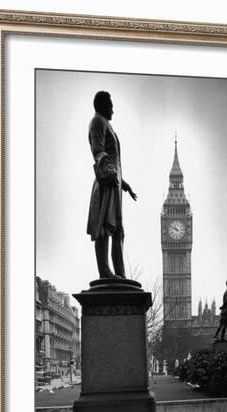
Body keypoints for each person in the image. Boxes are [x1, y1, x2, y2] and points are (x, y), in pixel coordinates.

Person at [87, 91, 137, 279]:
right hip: (106, 182)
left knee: (117, 229)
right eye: (111, 106)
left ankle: (120, 273)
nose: (113, 110)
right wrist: (111, 174)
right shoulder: (97, 122)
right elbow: (98, 151)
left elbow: (115, 161)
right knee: (104, 227)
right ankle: (105, 271)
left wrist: (124, 184)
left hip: (115, 184)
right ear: (102, 106)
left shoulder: (108, 125)